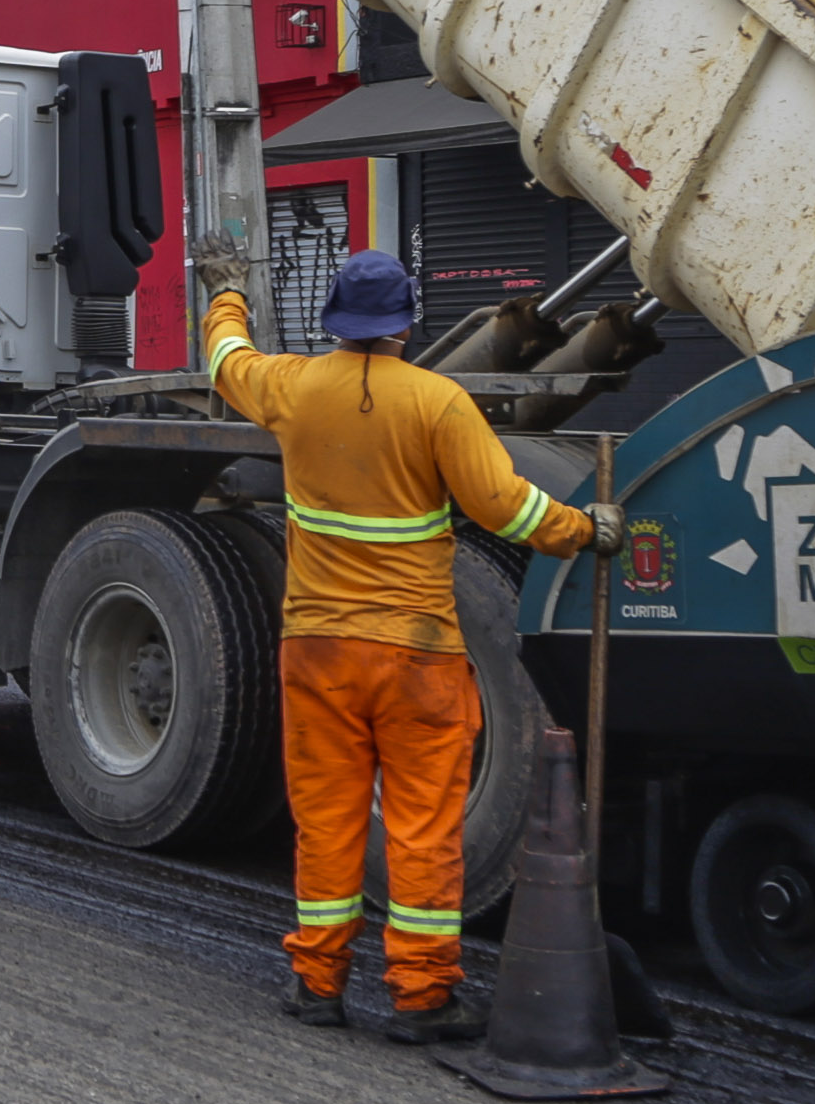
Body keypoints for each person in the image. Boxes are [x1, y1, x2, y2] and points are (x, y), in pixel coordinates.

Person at [205, 248, 604, 1045]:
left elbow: (225, 362)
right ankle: (422, 997)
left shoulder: (292, 388)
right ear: (406, 323)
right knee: (422, 826)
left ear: (334, 322)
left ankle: (317, 982)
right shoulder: (439, 402)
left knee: (327, 819)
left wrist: (227, 293)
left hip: (317, 648)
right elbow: (504, 508)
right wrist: (586, 529)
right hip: (417, 651)